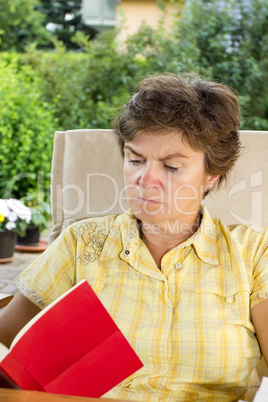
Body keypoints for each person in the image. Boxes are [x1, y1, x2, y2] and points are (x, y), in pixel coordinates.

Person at [0, 73, 268, 402]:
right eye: (135, 160)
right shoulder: (82, 243)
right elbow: (6, 344)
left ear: (211, 175)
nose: (145, 180)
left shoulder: (253, 253)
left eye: (171, 167)